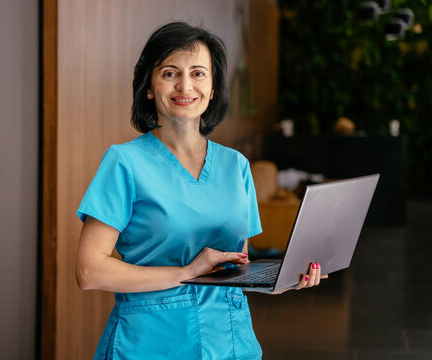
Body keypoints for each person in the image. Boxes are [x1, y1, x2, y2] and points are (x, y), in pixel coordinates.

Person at [76, 21, 326, 359]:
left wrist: (280, 279)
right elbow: (89, 271)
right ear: (149, 87)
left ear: (212, 88)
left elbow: (237, 266)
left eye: (198, 73)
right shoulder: (124, 162)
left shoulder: (235, 165)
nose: (185, 85)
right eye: (169, 73)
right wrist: (186, 273)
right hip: (151, 344)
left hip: (231, 342)